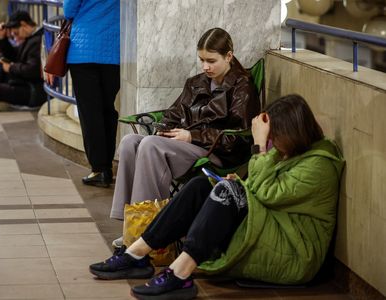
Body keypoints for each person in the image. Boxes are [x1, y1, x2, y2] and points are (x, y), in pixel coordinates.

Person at [89, 94, 345, 300]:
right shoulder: (289, 152)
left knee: (226, 192)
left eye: (275, 137)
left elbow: (268, 194)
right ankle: (137, 253)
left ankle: (180, 274)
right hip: (271, 226)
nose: (272, 144)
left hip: (294, 249)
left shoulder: (319, 165)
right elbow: (263, 188)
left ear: (293, 133)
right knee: (201, 186)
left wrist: (257, 148)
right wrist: (241, 182)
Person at [110, 28, 260, 232]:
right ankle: (130, 226)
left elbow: (239, 137)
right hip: (184, 145)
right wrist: (163, 129)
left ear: (229, 56)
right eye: (202, 60)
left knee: (150, 145)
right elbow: (173, 113)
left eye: (212, 61)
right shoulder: (196, 83)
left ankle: (147, 231)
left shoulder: (242, 87)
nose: (205, 66)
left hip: (215, 152)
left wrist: (192, 136)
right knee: (130, 142)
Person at [46, 0, 120, 188]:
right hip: (114, 51)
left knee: (90, 113)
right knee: (107, 110)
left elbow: (69, 10)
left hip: (84, 52)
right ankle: (107, 166)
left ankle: (99, 169)